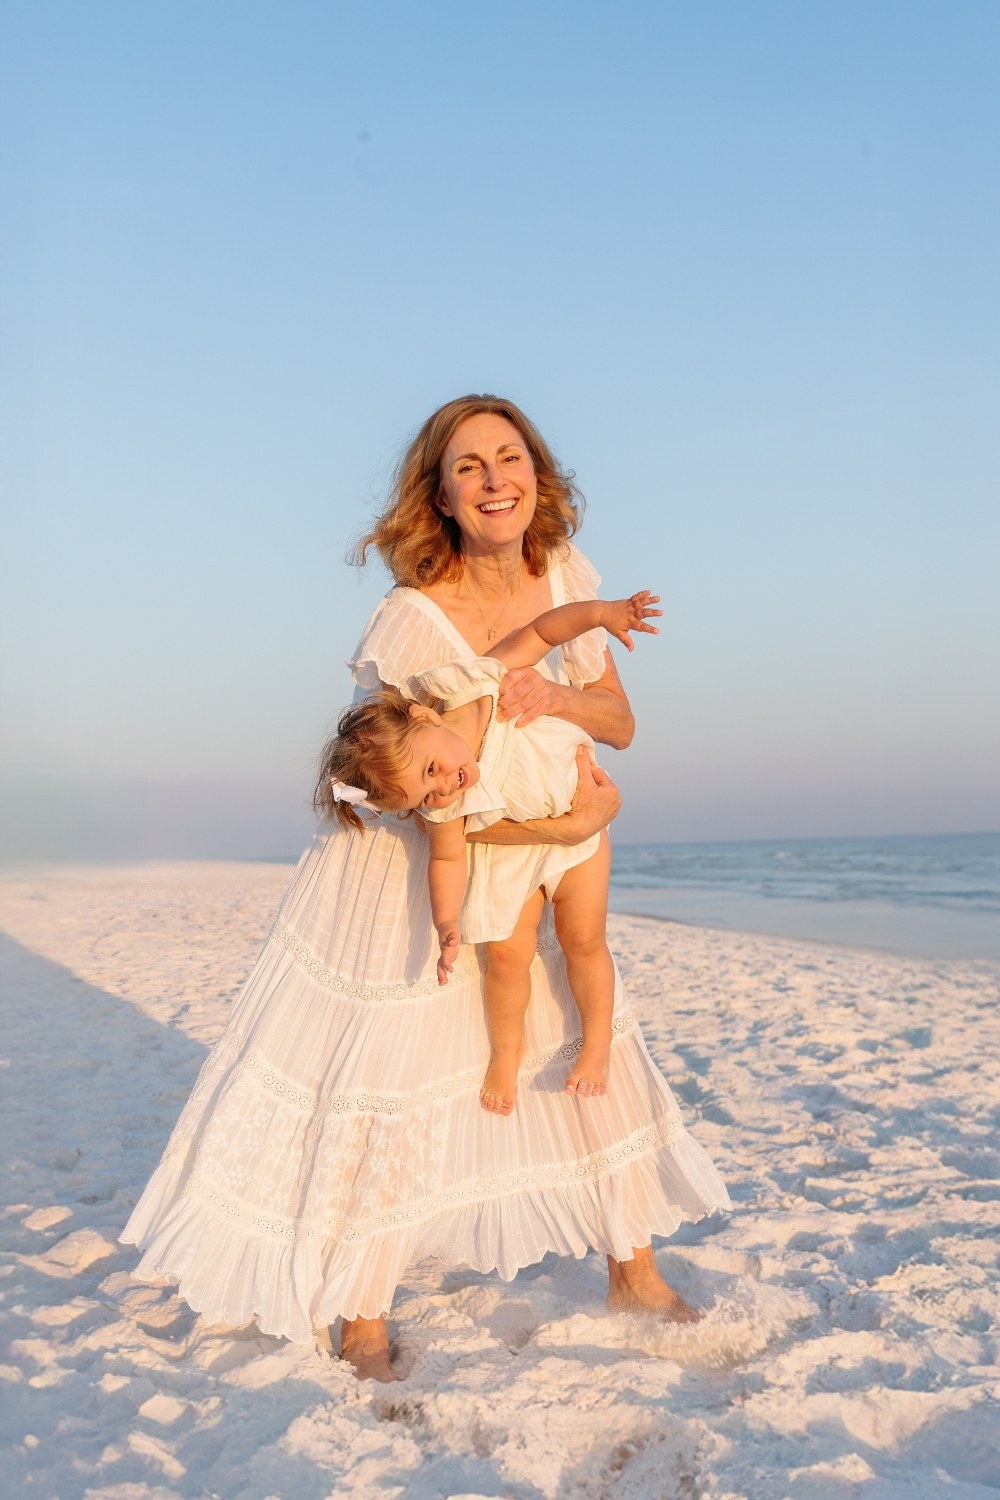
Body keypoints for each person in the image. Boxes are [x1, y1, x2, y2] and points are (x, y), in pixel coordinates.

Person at [121, 394, 729, 1383]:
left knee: (588, 1028)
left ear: (537, 472)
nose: (496, 480)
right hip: (423, 862)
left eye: (510, 457)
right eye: (469, 467)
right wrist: (572, 822)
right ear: (440, 498)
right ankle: (362, 1309)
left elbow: (619, 722)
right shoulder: (412, 620)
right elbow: (426, 791)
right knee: (395, 1073)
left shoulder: (565, 578)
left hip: (537, 842)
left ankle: (634, 1268)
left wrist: (559, 703)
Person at [313, 590, 663, 1116]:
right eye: (426, 796)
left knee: (585, 939)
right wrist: (446, 922)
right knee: (504, 958)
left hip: (579, 833)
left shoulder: (477, 684)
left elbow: (545, 630)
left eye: (434, 770)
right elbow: (448, 860)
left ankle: (596, 1048)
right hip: (508, 859)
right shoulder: (444, 804)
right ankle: (507, 1055)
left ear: (426, 719)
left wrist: (603, 614)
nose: (445, 788)